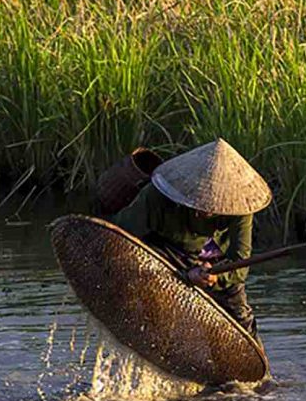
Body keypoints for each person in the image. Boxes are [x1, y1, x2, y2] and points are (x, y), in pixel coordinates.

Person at [112, 138, 271, 333]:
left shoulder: (240, 207)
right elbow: (120, 235)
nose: (206, 208)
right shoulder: (157, 196)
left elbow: (240, 264)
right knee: (148, 312)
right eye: (201, 201)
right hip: (166, 253)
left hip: (215, 263)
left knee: (242, 321)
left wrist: (215, 277)